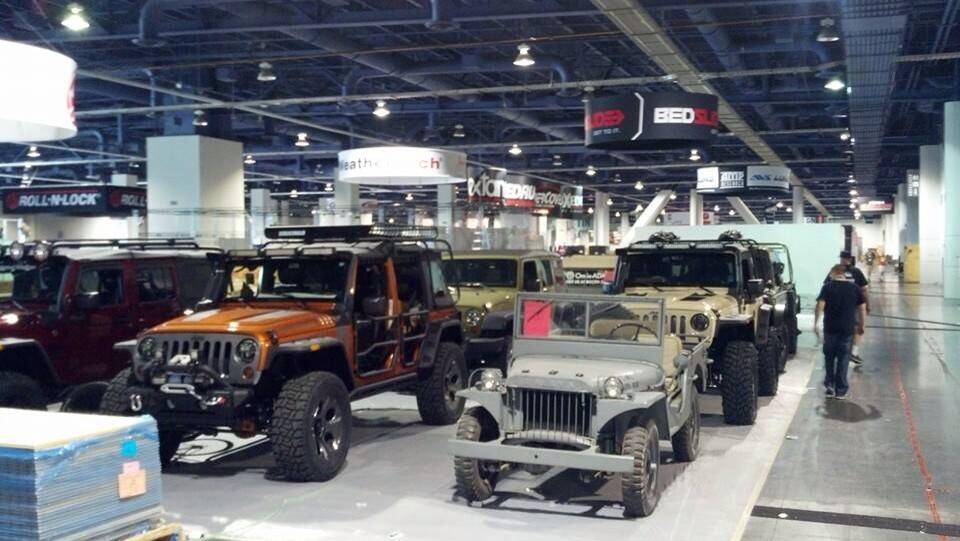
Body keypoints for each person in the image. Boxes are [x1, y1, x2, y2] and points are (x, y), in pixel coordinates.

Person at [815, 264, 867, 399]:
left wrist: (816, 323)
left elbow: (820, 305)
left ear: (834, 273)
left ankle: (830, 385)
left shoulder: (827, 287)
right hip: (847, 329)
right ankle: (841, 390)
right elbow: (862, 309)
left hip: (830, 328)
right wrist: (862, 325)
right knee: (843, 359)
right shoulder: (854, 288)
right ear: (844, 274)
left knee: (829, 357)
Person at [823, 250, 869, 364]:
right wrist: (866, 303)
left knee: (837, 327)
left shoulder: (836, 271)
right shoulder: (856, 272)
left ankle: (839, 351)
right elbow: (864, 289)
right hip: (852, 305)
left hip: (837, 305)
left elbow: (826, 286)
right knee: (857, 327)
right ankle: (853, 352)